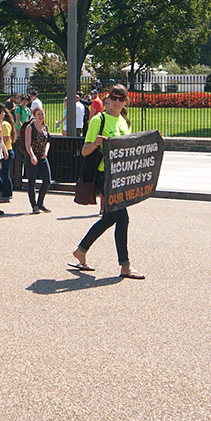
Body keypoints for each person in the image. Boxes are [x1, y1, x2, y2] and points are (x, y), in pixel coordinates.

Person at [70, 86, 143, 280]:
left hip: (120, 177)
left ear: (126, 101)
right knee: (123, 219)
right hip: (104, 176)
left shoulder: (125, 121)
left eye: (121, 98)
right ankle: (125, 266)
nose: (117, 101)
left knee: (110, 219)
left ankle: (81, 250)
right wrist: (95, 144)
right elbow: (84, 151)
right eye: (114, 98)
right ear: (108, 99)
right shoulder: (98, 120)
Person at [23, 105, 53, 213]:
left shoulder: (45, 127)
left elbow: (48, 141)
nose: (41, 116)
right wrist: (32, 156)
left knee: (47, 180)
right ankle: (34, 205)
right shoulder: (30, 127)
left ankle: (40, 203)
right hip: (32, 157)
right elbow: (28, 143)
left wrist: (45, 152)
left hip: (42, 156)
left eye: (42, 114)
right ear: (34, 115)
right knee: (32, 181)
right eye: (39, 114)